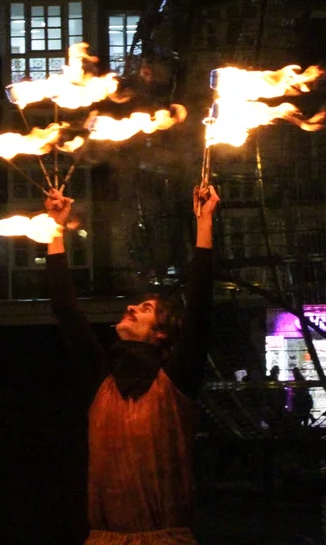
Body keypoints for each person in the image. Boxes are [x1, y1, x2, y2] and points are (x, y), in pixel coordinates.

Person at [46, 184, 219, 545]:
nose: (130, 307)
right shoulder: (102, 383)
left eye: (146, 309)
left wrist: (204, 223)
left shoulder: (175, 382)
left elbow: (201, 306)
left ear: (161, 333)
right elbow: (66, 310)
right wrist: (55, 227)